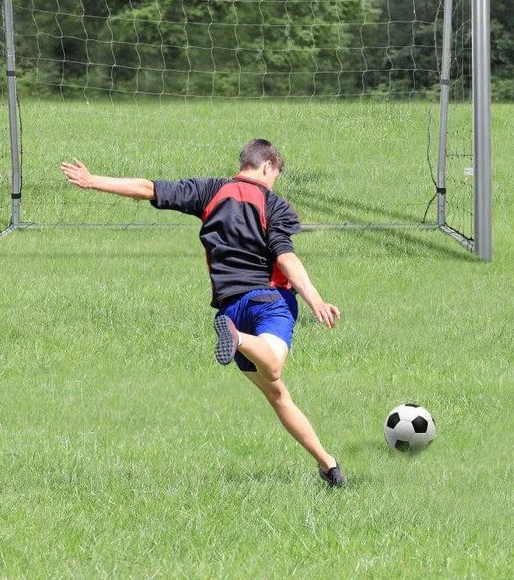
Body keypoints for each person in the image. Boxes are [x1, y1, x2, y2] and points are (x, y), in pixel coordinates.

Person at [60, 139, 347, 487]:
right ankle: (238, 338)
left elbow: (149, 189)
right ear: (267, 166)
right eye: (276, 174)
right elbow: (284, 255)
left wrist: (95, 181)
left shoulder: (209, 190)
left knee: (277, 393)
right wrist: (315, 298)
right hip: (268, 301)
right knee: (273, 364)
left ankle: (328, 465)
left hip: (231, 307)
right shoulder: (275, 205)